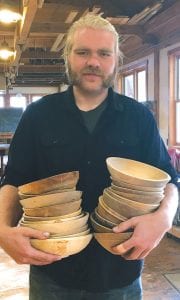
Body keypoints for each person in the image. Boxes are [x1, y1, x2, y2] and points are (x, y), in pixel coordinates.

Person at [0, 13, 178, 300]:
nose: (93, 62)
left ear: (115, 61)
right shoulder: (38, 115)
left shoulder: (139, 117)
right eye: (82, 52)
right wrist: (2, 231)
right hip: (52, 272)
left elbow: (170, 178)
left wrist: (164, 218)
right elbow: (14, 179)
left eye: (103, 53)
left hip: (120, 274)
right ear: (68, 57)